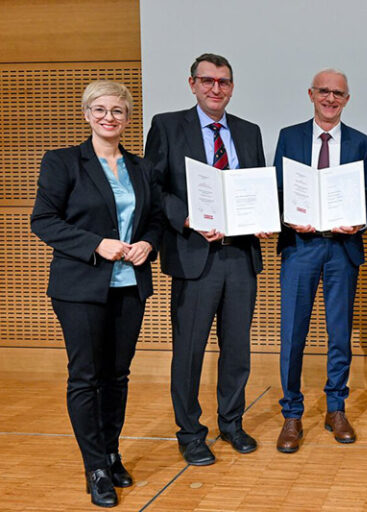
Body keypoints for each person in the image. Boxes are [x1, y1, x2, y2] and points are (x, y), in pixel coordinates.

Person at [30, 80, 162, 508]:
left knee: (117, 376)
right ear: (87, 114)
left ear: (127, 117)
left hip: (130, 286)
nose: (109, 117)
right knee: (86, 377)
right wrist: (95, 243)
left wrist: (148, 244)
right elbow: (44, 220)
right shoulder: (64, 162)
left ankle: (111, 451)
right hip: (81, 286)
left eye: (118, 111)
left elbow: (155, 221)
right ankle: (96, 468)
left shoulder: (140, 168)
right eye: (100, 109)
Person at [144, 53, 269, 466]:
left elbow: (255, 187)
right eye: (208, 80)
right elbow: (153, 187)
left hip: (240, 256)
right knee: (190, 350)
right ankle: (190, 432)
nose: (216, 88)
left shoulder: (249, 131)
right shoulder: (167, 125)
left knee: (237, 349)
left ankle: (231, 423)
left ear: (232, 87)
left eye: (224, 82)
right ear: (192, 83)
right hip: (194, 256)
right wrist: (187, 218)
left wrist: (264, 217)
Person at [272, 69, 367, 453]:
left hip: (341, 249)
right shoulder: (289, 136)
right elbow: (279, 189)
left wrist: (359, 221)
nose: (331, 98)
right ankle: (292, 414)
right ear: (311, 94)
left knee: (340, 333)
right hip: (301, 246)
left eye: (339, 93)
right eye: (324, 92)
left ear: (347, 99)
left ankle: (335, 408)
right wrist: (287, 215)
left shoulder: (363, 142)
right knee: (293, 334)